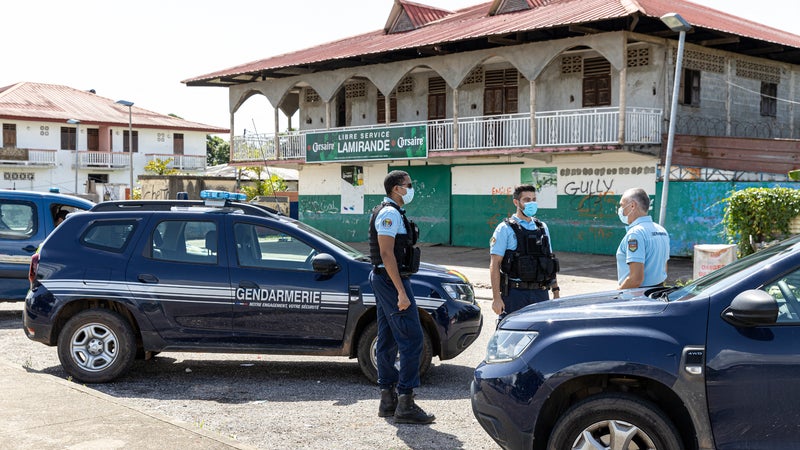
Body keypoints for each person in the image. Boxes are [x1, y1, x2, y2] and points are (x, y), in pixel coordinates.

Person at [368, 170, 434, 424]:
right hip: (389, 280)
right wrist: (401, 291)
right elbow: (386, 254)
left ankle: (388, 400)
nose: (411, 188)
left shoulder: (392, 212)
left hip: (386, 279)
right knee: (412, 339)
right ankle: (405, 402)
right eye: (409, 185)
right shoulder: (389, 213)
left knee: (387, 339)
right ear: (397, 189)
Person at [489, 184, 560, 321]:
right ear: (516, 202)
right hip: (515, 294)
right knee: (510, 336)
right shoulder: (504, 229)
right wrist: (496, 298)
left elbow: (549, 261)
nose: (531, 203)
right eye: (527, 200)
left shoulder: (542, 227)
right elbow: (495, 264)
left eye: (534, 199)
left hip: (541, 293)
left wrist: (556, 291)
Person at [616, 188, 670, 289]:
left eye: (622, 205)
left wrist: (616, 295)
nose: (620, 210)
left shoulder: (635, 234)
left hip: (637, 296)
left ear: (632, 205)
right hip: (658, 292)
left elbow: (635, 280)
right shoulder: (661, 230)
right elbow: (663, 269)